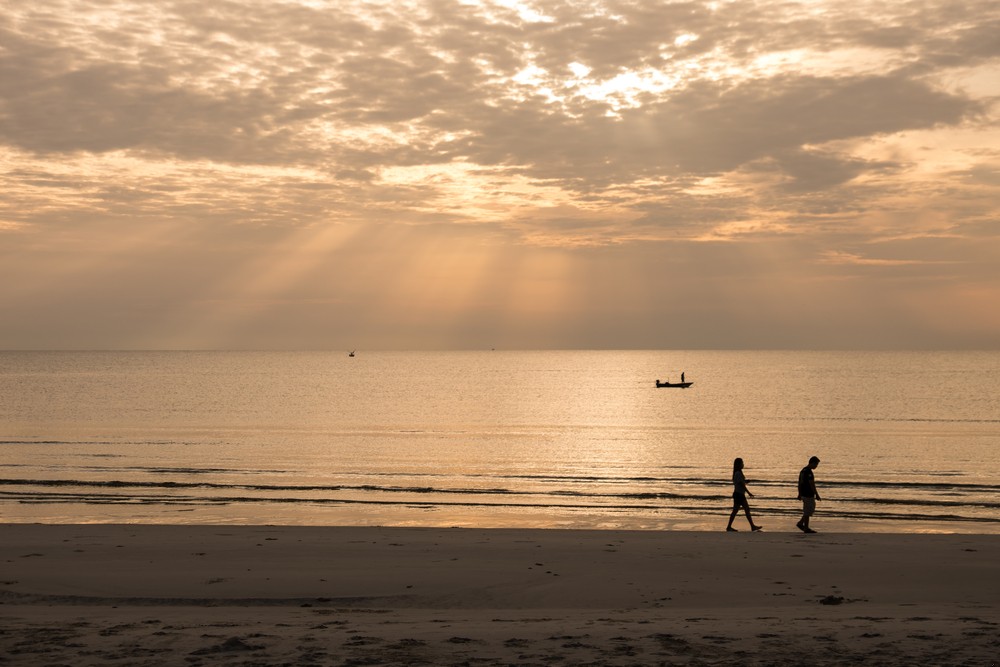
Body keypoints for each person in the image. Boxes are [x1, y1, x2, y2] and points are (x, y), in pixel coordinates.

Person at [726, 458, 762, 532]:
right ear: (738, 464)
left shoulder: (738, 473)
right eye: (742, 463)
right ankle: (752, 526)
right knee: (745, 510)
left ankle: (729, 527)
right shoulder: (738, 473)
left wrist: (746, 481)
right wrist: (749, 492)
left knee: (737, 511)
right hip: (739, 495)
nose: (743, 464)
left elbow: (741, 482)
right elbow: (741, 484)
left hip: (738, 494)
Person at [797, 456, 821, 533]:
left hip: (804, 493)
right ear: (812, 463)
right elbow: (812, 484)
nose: (816, 466)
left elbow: (800, 483)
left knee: (808, 510)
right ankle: (806, 527)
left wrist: (799, 493)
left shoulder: (803, 471)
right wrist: (817, 494)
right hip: (808, 494)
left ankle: (801, 523)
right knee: (808, 511)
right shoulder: (809, 472)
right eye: (816, 464)